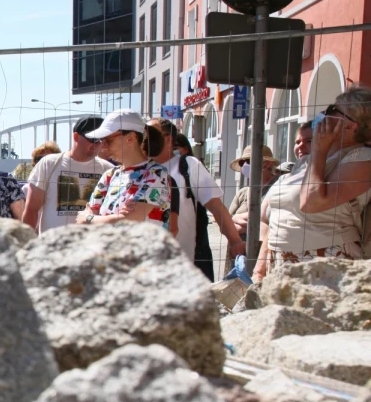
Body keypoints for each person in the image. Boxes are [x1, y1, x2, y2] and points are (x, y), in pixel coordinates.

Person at [252, 87, 371, 278]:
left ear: (351, 126)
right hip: (283, 265)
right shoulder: (307, 161)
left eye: (333, 110)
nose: (324, 113)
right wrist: (259, 271)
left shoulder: (362, 158)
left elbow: (311, 202)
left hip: (326, 267)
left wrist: (319, 151)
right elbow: (275, 216)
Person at [151, 118, 243, 278]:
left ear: (167, 138)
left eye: (150, 134)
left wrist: (235, 241)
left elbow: (215, 206)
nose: (144, 139)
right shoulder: (142, 169)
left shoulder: (188, 165)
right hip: (151, 263)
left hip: (187, 263)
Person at [77, 110, 171, 227]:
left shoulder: (156, 173)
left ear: (131, 138)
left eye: (108, 140)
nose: (103, 147)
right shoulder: (110, 175)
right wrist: (115, 218)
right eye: (102, 141)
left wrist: (91, 218)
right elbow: (83, 218)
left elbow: (130, 220)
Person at [23, 116, 110, 234]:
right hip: (53, 245)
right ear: (76, 137)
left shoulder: (108, 169)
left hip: (93, 244)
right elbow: (32, 209)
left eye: (102, 140)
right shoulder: (50, 163)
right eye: (93, 139)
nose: (97, 145)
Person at [226, 144, 280, 269]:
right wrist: (252, 223)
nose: (244, 166)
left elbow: (270, 221)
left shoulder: (278, 188)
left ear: (266, 164)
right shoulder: (243, 193)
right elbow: (226, 222)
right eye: (242, 163)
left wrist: (239, 219)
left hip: (264, 253)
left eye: (248, 161)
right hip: (237, 253)